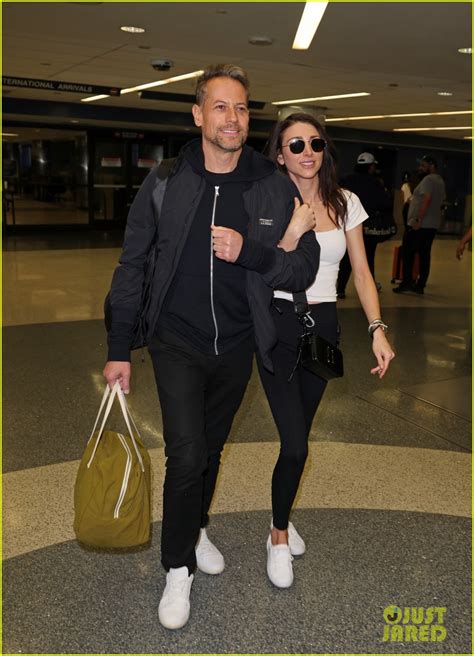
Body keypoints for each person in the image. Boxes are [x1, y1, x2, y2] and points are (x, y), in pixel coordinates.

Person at [103, 65, 319, 630]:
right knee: (187, 455)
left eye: (242, 109)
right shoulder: (168, 180)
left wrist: (250, 251)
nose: (233, 119)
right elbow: (132, 264)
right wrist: (119, 346)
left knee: (213, 450)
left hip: (238, 343)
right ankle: (178, 569)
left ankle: (195, 529)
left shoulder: (272, 184)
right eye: (221, 107)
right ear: (198, 115)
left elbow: (302, 269)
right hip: (176, 339)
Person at [260, 113, 395, 588]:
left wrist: (377, 328)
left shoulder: (346, 202)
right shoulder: (266, 199)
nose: (307, 152)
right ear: (279, 154)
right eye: (295, 145)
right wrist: (294, 230)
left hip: (324, 326)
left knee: (300, 437)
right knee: (295, 443)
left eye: (315, 143)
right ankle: (277, 534)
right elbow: (260, 266)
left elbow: (360, 273)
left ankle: (282, 514)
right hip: (277, 326)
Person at [336, 152, 393, 297]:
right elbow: (385, 203)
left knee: (347, 259)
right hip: (368, 227)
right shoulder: (375, 183)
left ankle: (340, 289)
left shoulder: (346, 180)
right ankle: (369, 287)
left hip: (347, 224)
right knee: (368, 258)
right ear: (371, 166)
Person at [393, 155, 446, 294]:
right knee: (424, 254)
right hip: (432, 224)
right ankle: (420, 285)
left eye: (423, 165)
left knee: (408, 252)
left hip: (421, 224)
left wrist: (418, 219)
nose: (420, 168)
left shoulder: (428, 179)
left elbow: (427, 199)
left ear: (432, 165)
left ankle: (407, 283)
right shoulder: (440, 180)